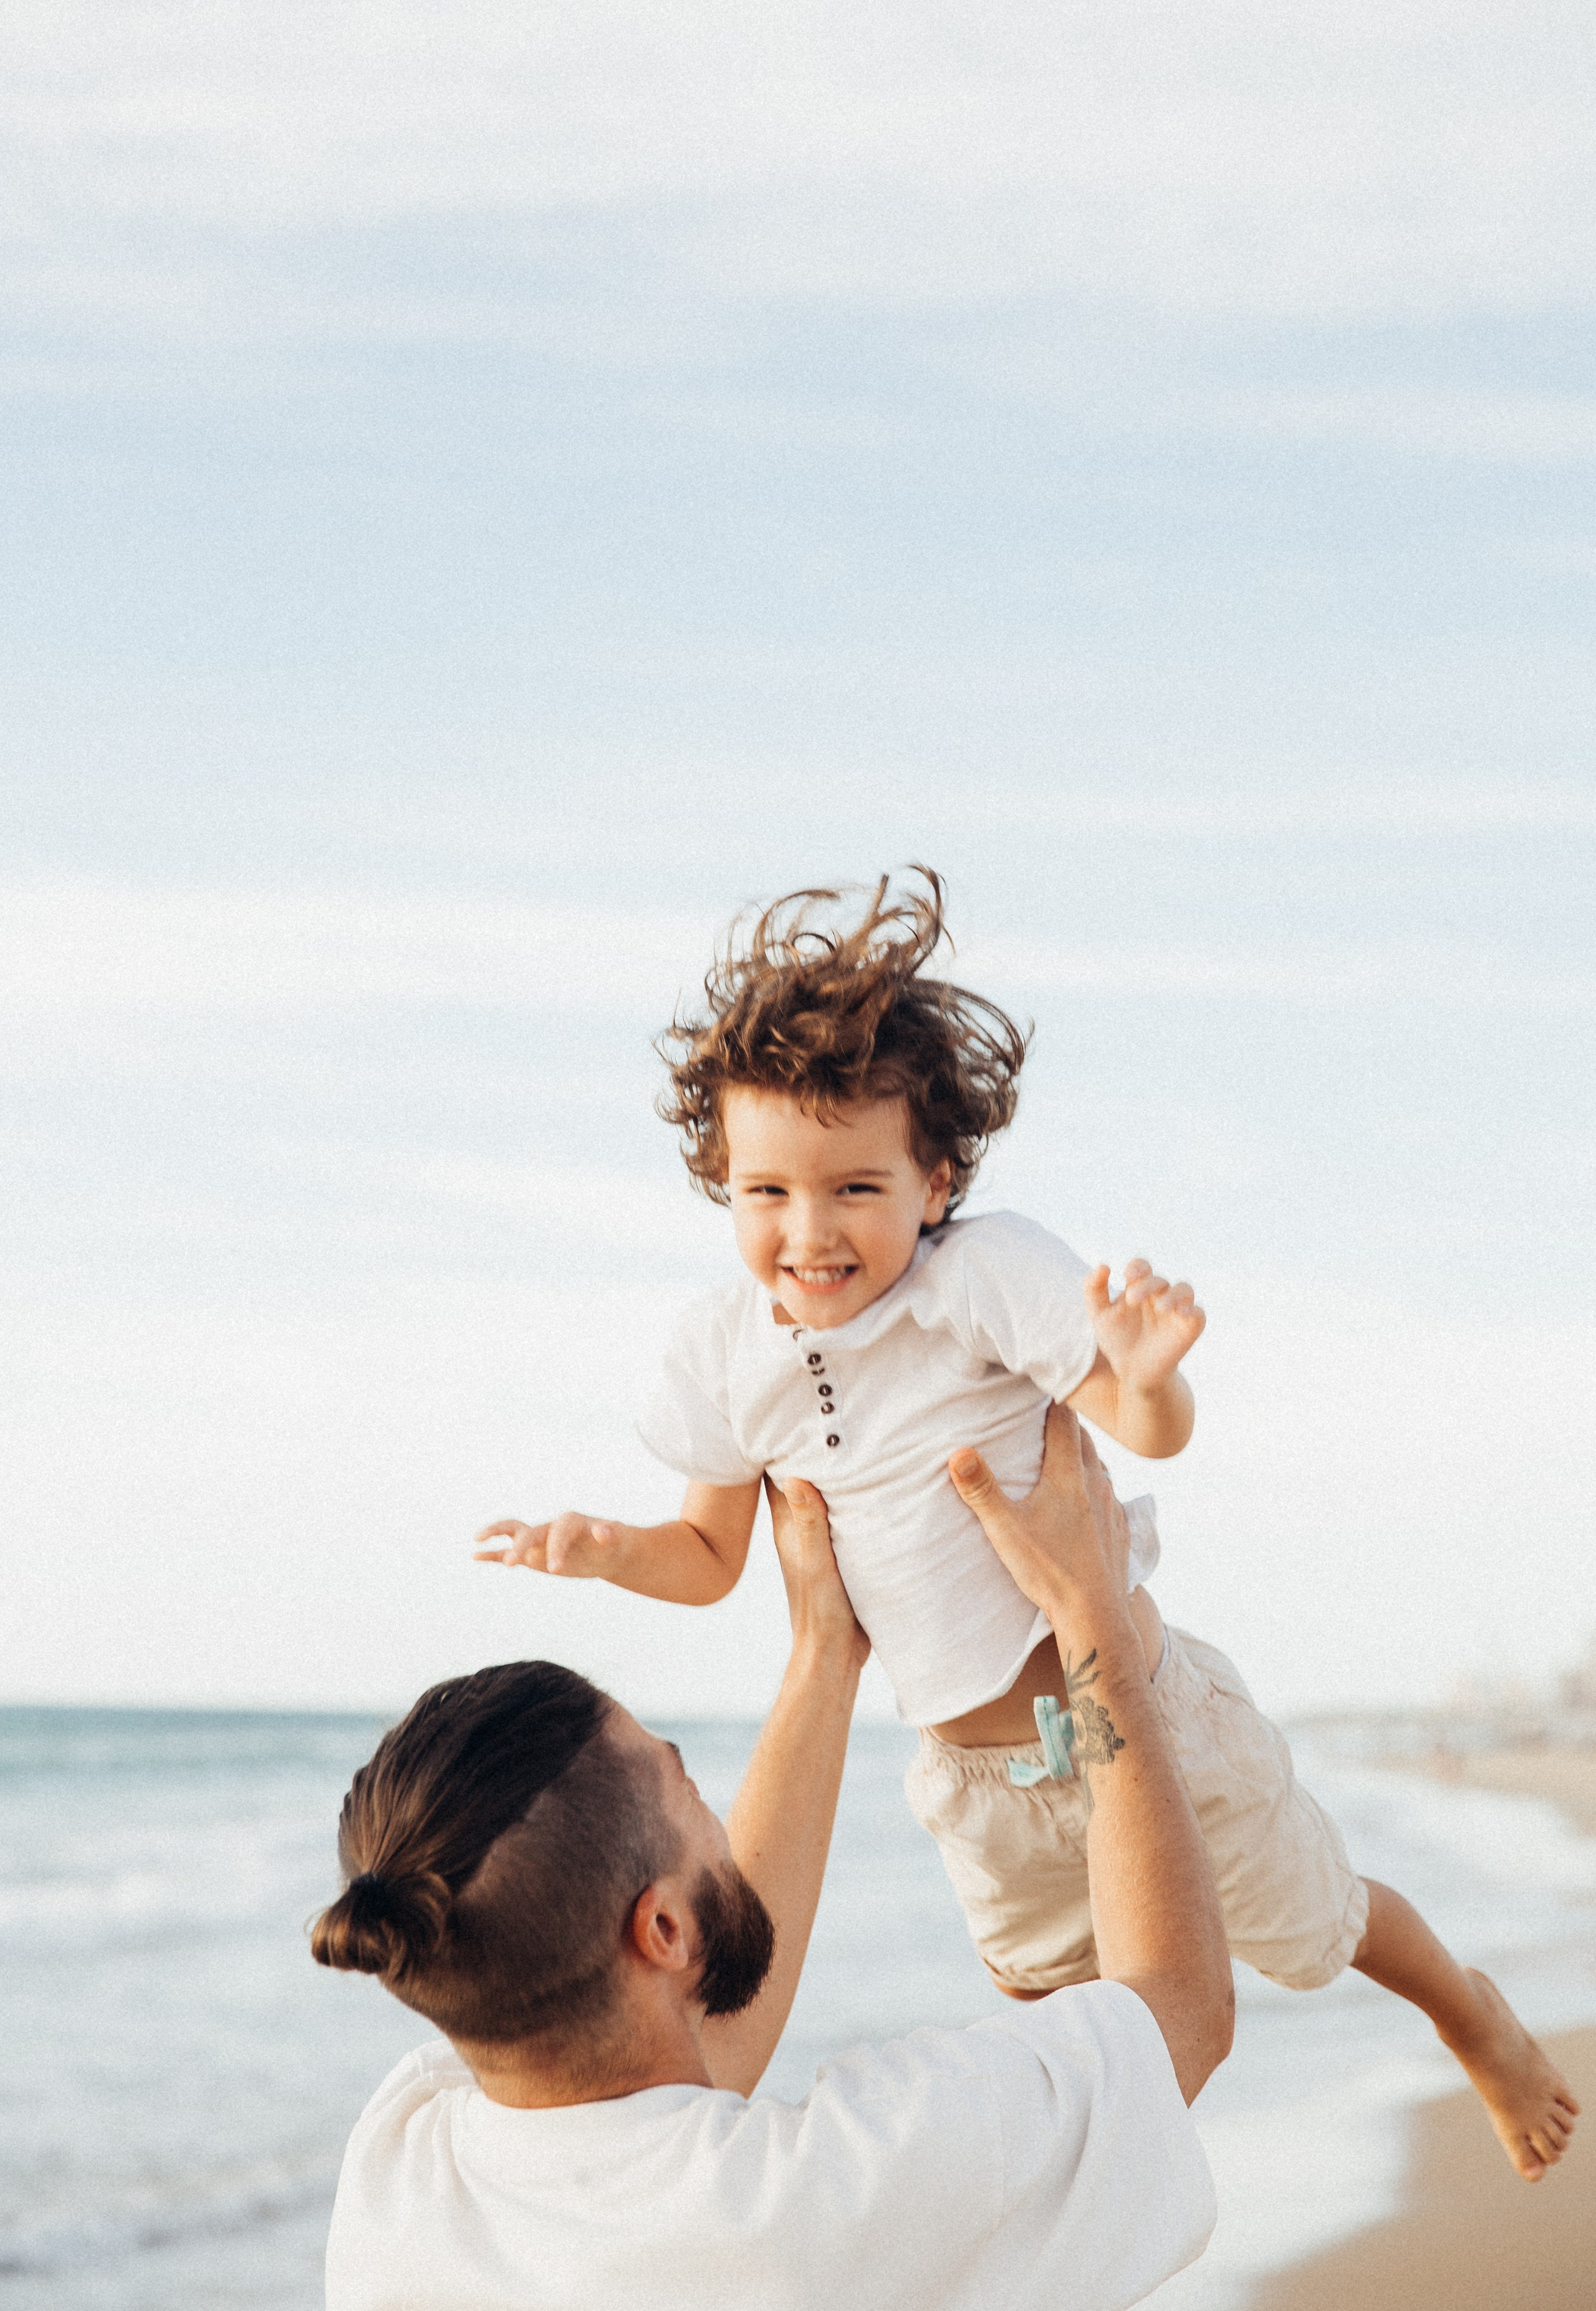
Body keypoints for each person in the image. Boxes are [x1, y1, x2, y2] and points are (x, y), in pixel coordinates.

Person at [477, 869, 1579, 2182]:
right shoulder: (722, 1353)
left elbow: (1137, 1423)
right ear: (723, 1181)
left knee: (1312, 1924)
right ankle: (1088, 2204)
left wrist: (1149, 1371)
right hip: (970, 1780)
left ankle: (1466, 2011)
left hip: (1139, 1713)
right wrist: (606, 1554)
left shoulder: (979, 1279)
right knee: (1042, 2009)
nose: (807, 1231)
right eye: (765, 1193)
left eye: (852, 1190)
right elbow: (711, 1560)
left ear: (932, 1179)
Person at [317, 1408, 1233, 2311]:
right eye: (683, 1785)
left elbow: (675, 2073)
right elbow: (1179, 2015)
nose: (713, 1813)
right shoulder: (829, 2199)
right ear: (664, 1930)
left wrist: (824, 1656)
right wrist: (1091, 1612)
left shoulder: (398, 2176)